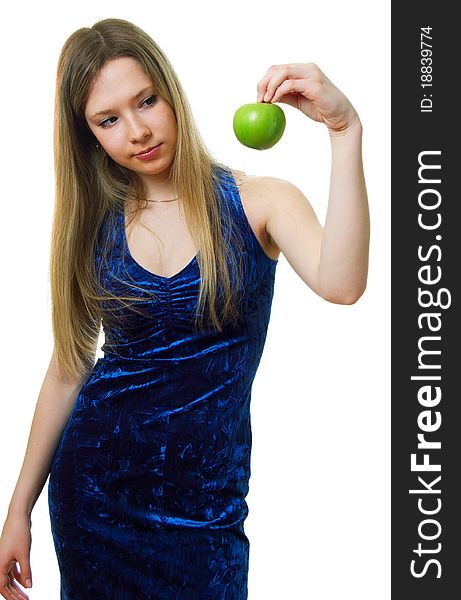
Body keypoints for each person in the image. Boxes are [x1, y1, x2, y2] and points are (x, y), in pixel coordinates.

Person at [0, 16, 369, 600]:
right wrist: (18, 507)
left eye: (147, 101)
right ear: (88, 134)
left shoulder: (259, 202)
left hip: (207, 511)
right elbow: (69, 367)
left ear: (171, 93)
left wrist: (345, 130)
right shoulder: (91, 229)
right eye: (109, 119)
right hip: (96, 499)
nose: (138, 131)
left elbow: (343, 283)